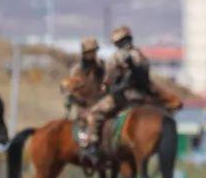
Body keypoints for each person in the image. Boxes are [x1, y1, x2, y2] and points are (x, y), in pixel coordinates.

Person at [82, 26, 172, 159]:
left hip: (123, 97)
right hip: (144, 96)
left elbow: (108, 80)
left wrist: (105, 88)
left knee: (94, 113)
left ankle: (93, 144)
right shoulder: (141, 55)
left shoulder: (115, 58)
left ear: (117, 43)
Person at [62, 37, 105, 120]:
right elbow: (71, 90)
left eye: (94, 51)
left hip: (101, 106)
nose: (92, 55)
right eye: (89, 52)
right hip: (84, 109)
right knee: (87, 126)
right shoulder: (77, 70)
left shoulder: (101, 67)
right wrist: (79, 100)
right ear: (84, 53)